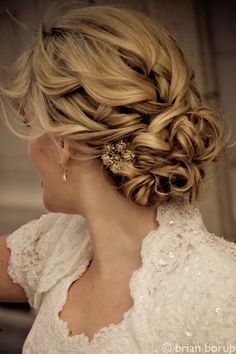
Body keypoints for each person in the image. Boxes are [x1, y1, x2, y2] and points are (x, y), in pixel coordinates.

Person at [0, 2, 236, 353]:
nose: (31, 148)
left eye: (31, 125)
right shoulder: (57, 245)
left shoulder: (222, 291)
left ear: (63, 144)